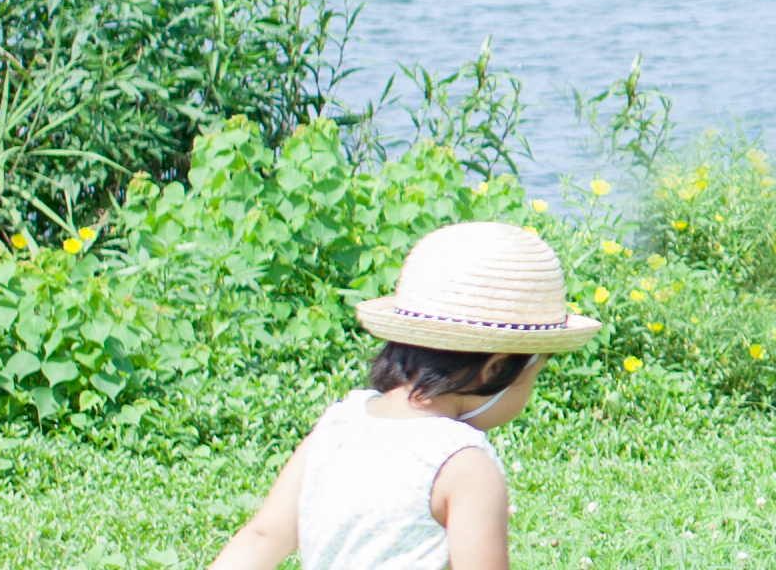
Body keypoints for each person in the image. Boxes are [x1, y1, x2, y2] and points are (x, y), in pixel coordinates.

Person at [210, 222, 610, 570]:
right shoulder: (466, 466)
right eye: (533, 376)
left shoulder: (337, 424)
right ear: (496, 368)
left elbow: (263, 536)